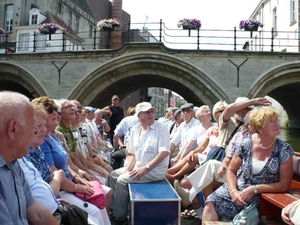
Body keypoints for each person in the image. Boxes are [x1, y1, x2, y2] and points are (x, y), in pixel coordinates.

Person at [202, 105, 294, 222]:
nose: (277, 124)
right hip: (238, 190)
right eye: (272, 122)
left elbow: (284, 184)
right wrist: (233, 191)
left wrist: (255, 189)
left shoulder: (284, 149)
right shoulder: (246, 143)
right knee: (211, 202)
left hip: (261, 196)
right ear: (259, 128)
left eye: (276, 120)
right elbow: (231, 170)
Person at [21, 103, 105, 224]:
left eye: (44, 125)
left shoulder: (38, 149)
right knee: (94, 214)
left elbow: (68, 161)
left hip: (59, 194)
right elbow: (54, 178)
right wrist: (64, 181)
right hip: (58, 196)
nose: (44, 130)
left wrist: (79, 176)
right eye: (39, 126)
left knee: (98, 202)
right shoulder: (24, 155)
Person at [0, 91, 58, 225]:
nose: (35, 132)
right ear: (13, 129)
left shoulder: (13, 163)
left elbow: (38, 214)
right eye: (33, 126)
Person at [107, 102, 170, 225]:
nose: (151, 114)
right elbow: (131, 153)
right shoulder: (135, 130)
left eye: (152, 111)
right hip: (138, 166)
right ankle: (116, 207)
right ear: (139, 116)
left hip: (154, 171)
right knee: (113, 175)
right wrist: (128, 168)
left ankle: (120, 217)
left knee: (122, 180)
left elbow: (164, 152)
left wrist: (145, 169)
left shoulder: (161, 128)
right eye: (147, 112)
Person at [110, 106, 139, 170]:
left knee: (114, 156)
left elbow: (116, 136)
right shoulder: (150, 122)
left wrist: (116, 149)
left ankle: (115, 174)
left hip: (128, 148)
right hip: (142, 150)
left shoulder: (126, 120)